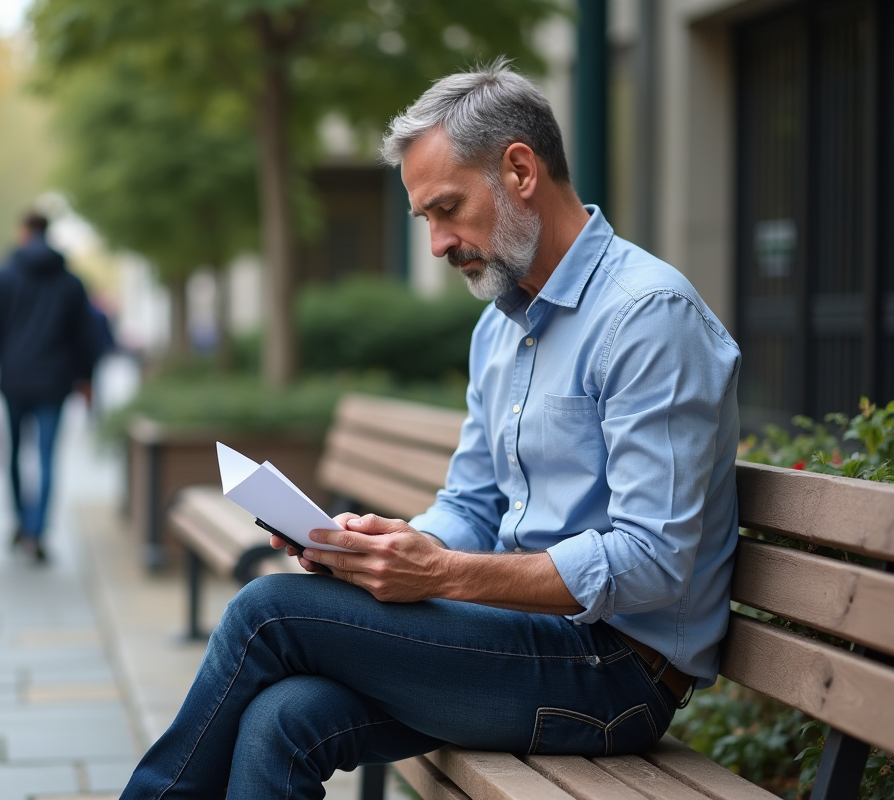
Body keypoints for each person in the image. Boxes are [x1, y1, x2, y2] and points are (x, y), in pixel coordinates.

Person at [118, 61, 742, 799]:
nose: (439, 243)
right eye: (426, 220)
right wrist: (382, 545)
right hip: (513, 636)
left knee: (266, 611)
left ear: (519, 170)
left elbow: (653, 561)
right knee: (281, 719)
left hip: (616, 674)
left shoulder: (648, 318)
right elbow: (471, 505)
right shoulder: (500, 330)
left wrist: (442, 574)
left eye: (447, 209)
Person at [0, 211, 96, 564]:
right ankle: (37, 531)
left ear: (24, 233)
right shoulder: (71, 282)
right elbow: (84, 336)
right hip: (55, 381)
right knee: (46, 457)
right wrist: (86, 378)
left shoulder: (4, 275)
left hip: (15, 378)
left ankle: (21, 522)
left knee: (12, 455)